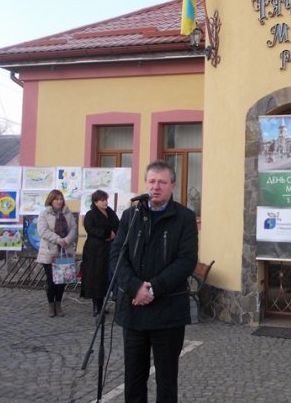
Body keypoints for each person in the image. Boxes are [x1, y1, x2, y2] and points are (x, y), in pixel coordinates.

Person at [110, 160, 198, 403]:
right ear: (145, 184)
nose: (156, 187)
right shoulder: (130, 215)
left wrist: (153, 288)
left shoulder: (185, 218)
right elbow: (117, 256)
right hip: (134, 311)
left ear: (172, 186)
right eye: (151, 181)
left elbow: (186, 260)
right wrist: (135, 287)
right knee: (134, 379)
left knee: (166, 381)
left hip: (168, 313)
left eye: (162, 182)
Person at [36, 189, 77, 317]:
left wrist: (67, 240)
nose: (59, 201)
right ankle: (51, 305)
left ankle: (59, 305)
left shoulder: (68, 213)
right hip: (50, 251)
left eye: (61, 199)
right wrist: (58, 240)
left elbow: (74, 229)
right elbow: (43, 231)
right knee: (51, 280)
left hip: (64, 251)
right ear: (51, 200)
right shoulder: (44, 214)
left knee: (62, 280)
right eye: (56, 199)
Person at [81, 189, 120, 316]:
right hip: (95, 250)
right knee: (96, 277)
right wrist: (106, 234)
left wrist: (114, 234)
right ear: (96, 202)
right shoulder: (91, 214)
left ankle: (103, 304)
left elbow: (118, 225)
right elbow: (90, 229)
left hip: (109, 248)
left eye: (106, 200)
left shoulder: (110, 212)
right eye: (102, 200)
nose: (105, 202)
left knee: (106, 277)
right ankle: (96, 306)